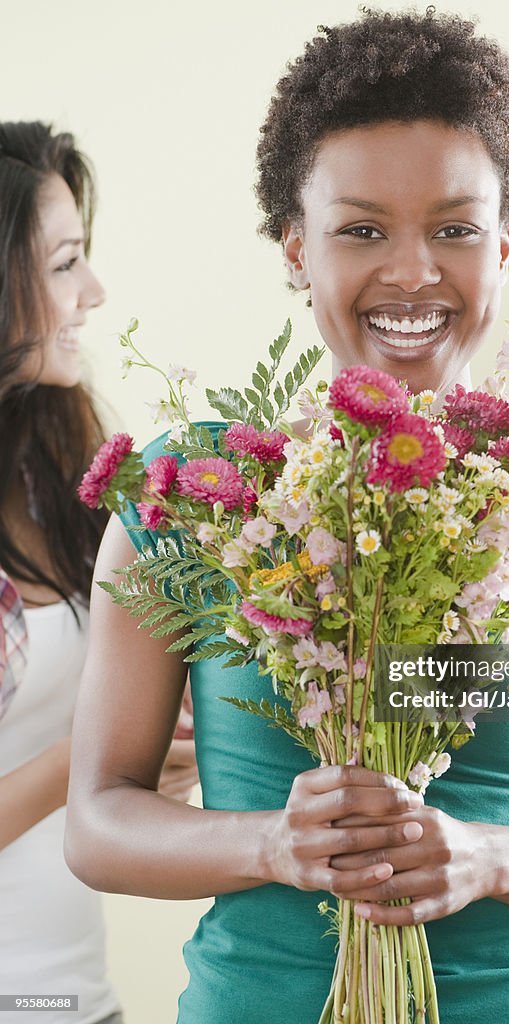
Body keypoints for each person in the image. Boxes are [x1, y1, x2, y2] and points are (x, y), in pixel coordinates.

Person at [65, 13, 509, 1024]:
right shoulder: (191, 493)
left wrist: (487, 858)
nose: (412, 274)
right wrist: (272, 843)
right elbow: (97, 822)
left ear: (505, 243)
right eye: (362, 230)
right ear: (295, 246)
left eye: (454, 228)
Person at [0, 122, 199, 1024]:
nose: (94, 291)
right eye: (64, 263)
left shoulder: (49, 471)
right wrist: (97, 759)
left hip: (73, 998)